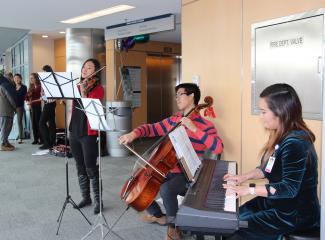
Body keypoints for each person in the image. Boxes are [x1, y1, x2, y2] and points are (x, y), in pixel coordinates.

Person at [119, 83, 223, 240]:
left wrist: (194, 129)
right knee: (131, 188)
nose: (177, 98)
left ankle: (174, 226)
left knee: (166, 189)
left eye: (180, 94)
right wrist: (133, 134)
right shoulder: (173, 120)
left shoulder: (205, 125)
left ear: (192, 96)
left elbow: (218, 148)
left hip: (188, 174)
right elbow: (151, 128)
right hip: (166, 168)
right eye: (176, 95)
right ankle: (158, 215)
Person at [223, 83, 320, 240]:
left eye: (263, 112)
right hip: (278, 202)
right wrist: (243, 178)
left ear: (280, 112)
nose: (260, 117)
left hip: (296, 213)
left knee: (237, 231)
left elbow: (289, 189)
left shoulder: (295, 143)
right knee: (230, 220)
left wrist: (249, 189)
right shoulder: (281, 135)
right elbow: (266, 169)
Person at [69, 58, 104, 214]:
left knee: (90, 166)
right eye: (84, 66)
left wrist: (83, 92)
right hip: (74, 129)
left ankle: (98, 200)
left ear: (95, 72)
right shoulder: (76, 85)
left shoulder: (98, 88)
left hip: (88, 132)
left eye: (89, 67)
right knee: (80, 166)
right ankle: (86, 197)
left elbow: (89, 107)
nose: (85, 69)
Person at [39, 65, 56, 150]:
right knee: (52, 123)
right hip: (49, 103)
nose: (43, 73)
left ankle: (47, 143)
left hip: (50, 103)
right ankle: (52, 142)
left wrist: (43, 97)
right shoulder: (46, 81)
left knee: (41, 123)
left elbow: (52, 95)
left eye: (44, 71)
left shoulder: (50, 81)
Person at [0, 75, 17, 151]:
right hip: (6, 110)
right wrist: (15, 107)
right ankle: (3, 144)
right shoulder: (5, 85)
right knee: (6, 127)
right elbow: (10, 97)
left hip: (3, 110)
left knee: (4, 127)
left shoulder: (2, 85)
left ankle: (5, 142)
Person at [26, 73, 42, 144]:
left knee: (38, 123)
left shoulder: (40, 87)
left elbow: (41, 98)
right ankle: (36, 139)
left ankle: (41, 139)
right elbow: (26, 96)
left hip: (38, 106)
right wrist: (28, 101)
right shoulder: (31, 87)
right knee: (33, 124)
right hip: (32, 107)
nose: (31, 80)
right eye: (30, 78)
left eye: (32, 78)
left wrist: (32, 101)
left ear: (36, 78)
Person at [14, 73, 27, 144]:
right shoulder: (12, 87)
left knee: (19, 121)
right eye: (15, 78)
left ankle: (20, 137)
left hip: (19, 106)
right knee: (9, 122)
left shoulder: (24, 87)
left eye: (18, 78)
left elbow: (22, 97)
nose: (16, 79)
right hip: (12, 106)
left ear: (20, 79)